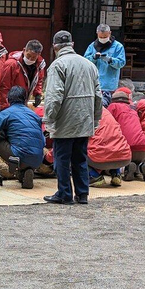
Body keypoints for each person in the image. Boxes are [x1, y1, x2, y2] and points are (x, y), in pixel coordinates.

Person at [42, 30, 103, 205]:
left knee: (62, 159)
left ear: (55, 47)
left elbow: (54, 96)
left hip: (65, 120)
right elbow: (98, 95)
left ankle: (64, 193)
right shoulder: (89, 65)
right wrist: (96, 117)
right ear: (72, 45)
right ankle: (82, 194)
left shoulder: (57, 65)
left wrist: (49, 119)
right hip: (85, 118)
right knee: (80, 158)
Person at [0, 86, 45, 189]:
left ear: (8, 100)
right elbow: (42, 140)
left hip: (19, 155)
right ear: (25, 100)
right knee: (22, 143)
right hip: (37, 159)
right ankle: (24, 172)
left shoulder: (6, 114)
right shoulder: (34, 115)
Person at [107, 88, 145, 181]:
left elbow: (107, 126)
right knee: (136, 163)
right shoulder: (133, 110)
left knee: (107, 166)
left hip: (127, 148)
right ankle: (140, 166)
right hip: (144, 148)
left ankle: (125, 168)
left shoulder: (113, 106)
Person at [0, 39, 46, 111]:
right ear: (24, 50)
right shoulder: (11, 64)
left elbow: (39, 80)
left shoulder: (40, 65)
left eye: (33, 57)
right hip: (10, 104)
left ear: (39, 55)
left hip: (23, 102)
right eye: (28, 56)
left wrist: (37, 93)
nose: (30, 59)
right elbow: (3, 87)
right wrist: (5, 107)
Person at [87, 108, 133, 187]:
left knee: (76, 151)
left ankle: (93, 176)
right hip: (124, 157)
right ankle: (116, 174)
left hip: (100, 159)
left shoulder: (86, 112)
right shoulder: (107, 112)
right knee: (113, 144)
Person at [84, 24, 126, 106]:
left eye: (105, 37)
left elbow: (121, 63)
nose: (103, 39)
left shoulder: (118, 46)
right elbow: (85, 62)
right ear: (97, 34)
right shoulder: (92, 46)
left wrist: (110, 60)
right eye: (101, 37)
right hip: (94, 84)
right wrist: (94, 57)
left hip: (109, 84)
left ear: (110, 33)